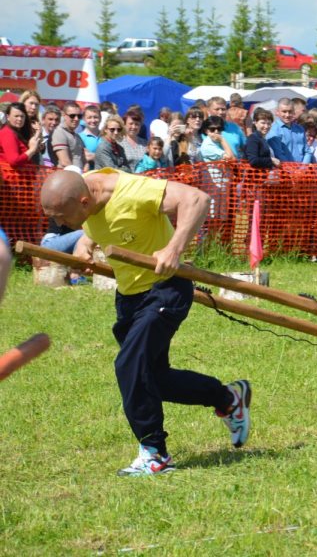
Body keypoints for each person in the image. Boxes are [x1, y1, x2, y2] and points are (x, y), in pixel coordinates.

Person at [40, 169, 252, 476]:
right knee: (151, 378)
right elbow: (99, 221)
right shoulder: (83, 193)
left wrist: (174, 248)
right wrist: (85, 243)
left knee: (129, 365)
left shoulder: (130, 191)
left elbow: (197, 198)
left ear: (83, 202)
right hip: (129, 296)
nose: (58, 224)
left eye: (61, 217)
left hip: (165, 289)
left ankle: (155, 454)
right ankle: (228, 398)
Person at [268, 97, 313, 164]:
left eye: (290, 111)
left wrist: (303, 168)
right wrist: (292, 170)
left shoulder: (300, 129)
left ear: (293, 112)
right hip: (284, 171)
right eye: (284, 111)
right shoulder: (273, 130)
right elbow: (278, 154)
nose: (287, 115)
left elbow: (307, 151)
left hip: (302, 171)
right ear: (277, 112)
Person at [0, 102, 42, 168]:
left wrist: (37, 134)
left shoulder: (16, 132)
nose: (20, 119)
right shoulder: (7, 133)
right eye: (16, 116)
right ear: (8, 117)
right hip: (12, 176)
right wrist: (32, 150)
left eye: (22, 116)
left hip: (24, 175)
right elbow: (14, 161)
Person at [51, 101, 86, 169]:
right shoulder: (59, 133)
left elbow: (84, 160)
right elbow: (65, 162)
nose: (76, 119)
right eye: (72, 116)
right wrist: (79, 174)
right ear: (64, 115)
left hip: (80, 175)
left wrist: (85, 172)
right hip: (68, 176)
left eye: (79, 116)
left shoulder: (77, 136)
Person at [79, 105, 102, 169]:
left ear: (100, 118)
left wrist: (95, 157)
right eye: (89, 117)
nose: (93, 120)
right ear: (84, 119)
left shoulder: (106, 137)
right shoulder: (79, 138)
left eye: (96, 117)